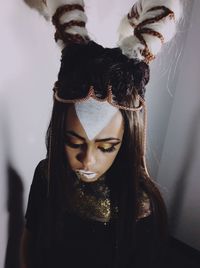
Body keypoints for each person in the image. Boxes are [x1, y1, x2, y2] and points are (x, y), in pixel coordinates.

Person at [20, 0, 181, 267]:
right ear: (59, 131)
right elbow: (30, 236)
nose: (87, 160)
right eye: (73, 142)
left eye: (106, 147)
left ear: (127, 140)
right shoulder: (47, 174)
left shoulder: (141, 207)